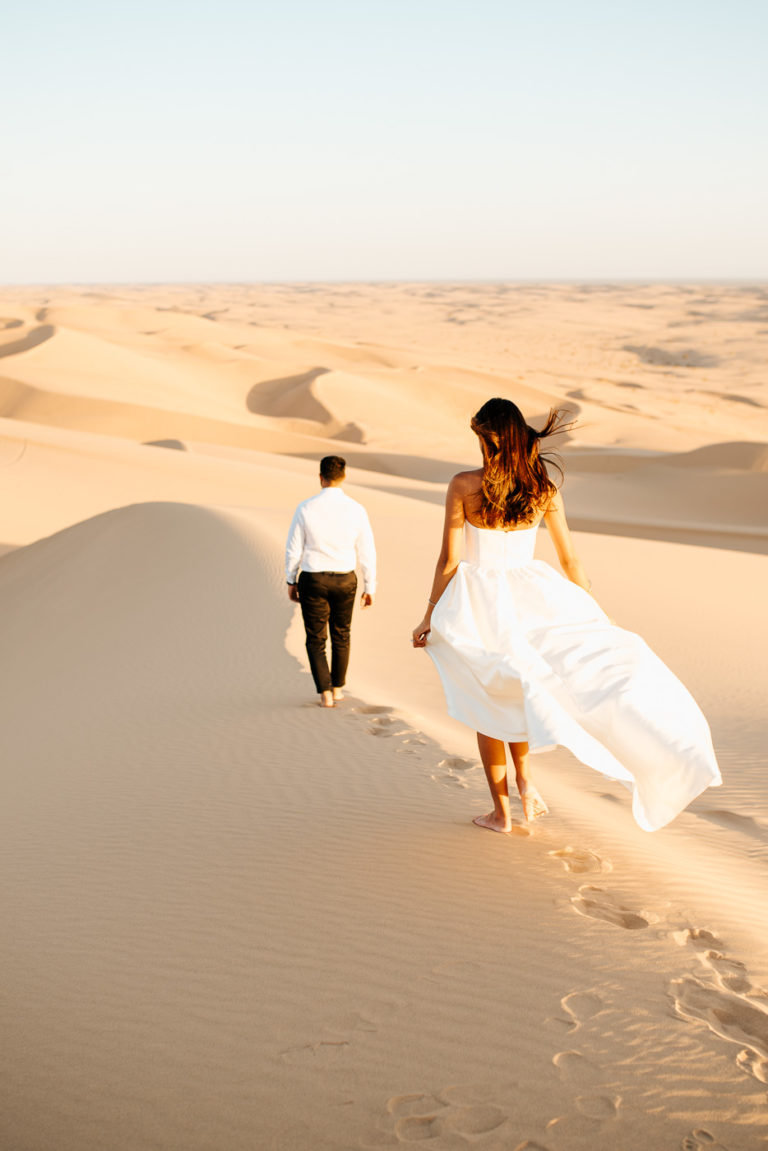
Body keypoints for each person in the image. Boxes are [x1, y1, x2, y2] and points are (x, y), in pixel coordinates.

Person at [412, 397, 721, 833]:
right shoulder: (544, 488)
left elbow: (449, 560)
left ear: (487, 438)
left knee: (489, 704)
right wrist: (596, 615)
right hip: (532, 595)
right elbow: (571, 561)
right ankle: (525, 783)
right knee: (517, 692)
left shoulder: (464, 484)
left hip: (480, 601)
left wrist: (428, 615)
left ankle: (501, 813)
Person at [286, 455, 376, 708]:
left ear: (320, 477)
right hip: (345, 579)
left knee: (315, 638)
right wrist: (371, 586)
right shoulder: (356, 509)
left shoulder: (305, 507)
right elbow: (367, 550)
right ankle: (337, 688)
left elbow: (293, 548)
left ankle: (325, 693)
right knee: (342, 634)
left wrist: (290, 579)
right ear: (343, 476)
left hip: (313, 578)